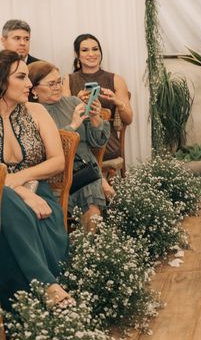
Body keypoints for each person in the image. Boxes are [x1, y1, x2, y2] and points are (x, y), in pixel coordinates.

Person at [0, 50, 71, 313]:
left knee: (14, 212)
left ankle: (21, 310)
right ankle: (47, 286)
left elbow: (57, 162)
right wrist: (19, 191)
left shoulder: (37, 111)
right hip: (5, 195)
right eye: (21, 77)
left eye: (29, 76)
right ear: (1, 81)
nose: (30, 84)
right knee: (6, 199)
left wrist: (20, 180)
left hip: (37, 189)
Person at [29, 61, 110, 230]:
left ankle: (91, 248)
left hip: (86, 168)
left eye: (59, 82)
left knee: (95, 208)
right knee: (97, 203)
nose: (57, 87)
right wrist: (72, 126)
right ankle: (90, 248)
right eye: (51, 84)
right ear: (34, 90)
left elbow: (98, 142)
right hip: (58, 173)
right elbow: (41, 151)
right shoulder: (31, 113)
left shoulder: (73, 102)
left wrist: (95, 118)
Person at [62, 34, 132, 162]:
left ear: (100, 52)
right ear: (77, 55)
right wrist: (75, 101)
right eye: (85, 50)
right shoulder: (68, 79)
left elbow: (128, 119)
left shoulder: (116, 79)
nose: (91, 54)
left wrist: (118, 102)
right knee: (69, 154)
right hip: (79, 139)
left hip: (105, 140)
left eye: (95, 49)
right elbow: (64, 116)